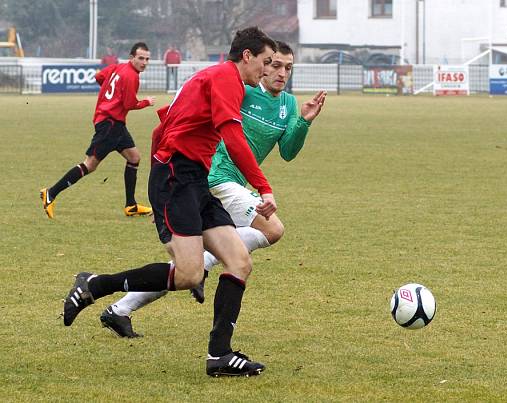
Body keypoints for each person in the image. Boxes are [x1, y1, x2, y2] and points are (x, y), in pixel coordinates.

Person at [61, 27, 278, 378]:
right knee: (190, 275)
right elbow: (233, 136)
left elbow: (160, 129)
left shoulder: (215, 78)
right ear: (247, 56)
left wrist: (156, 181)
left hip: (191, 179)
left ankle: (219, 356)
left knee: (239, 261)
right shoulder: (226, 77)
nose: (267, 71)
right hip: (177, 177)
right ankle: (96, 285)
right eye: (266, 62)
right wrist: (263, 187)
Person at [99, 41, 327, 338]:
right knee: (272, 229)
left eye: (288, 67)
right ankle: (204, 275)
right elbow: (191, 113)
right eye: (274, 64)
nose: (281, 72)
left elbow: (288, 151)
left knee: (187, 268)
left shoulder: (288, 104)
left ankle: (120, 309)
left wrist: (304, 123)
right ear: (261, 63)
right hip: (215, 175)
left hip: (234, 183)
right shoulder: (243, 89)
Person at [41, 43, 156, 219]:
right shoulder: (132, 76)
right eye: (141, 58)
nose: (144, 62)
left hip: (114, 124)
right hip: (109, 125)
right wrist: (147, 101)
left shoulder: (118, 67)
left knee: (134, 157)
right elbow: (129, 104)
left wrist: (110, 92)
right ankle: (51, 193)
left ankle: (130, 205)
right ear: (132, 57)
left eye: (147, 59)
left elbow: (98, 76)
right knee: (90, 165)